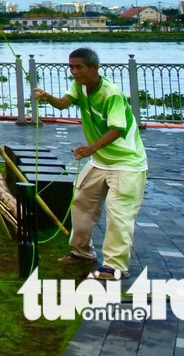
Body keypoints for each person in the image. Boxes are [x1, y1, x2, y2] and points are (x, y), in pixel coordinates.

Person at [34, 47, 148, 281]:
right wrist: (47, 97)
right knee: (81, 202)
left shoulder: (111, 94)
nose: (74, 72)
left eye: (79, 67)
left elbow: (118, 129)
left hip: (126, 164)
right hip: (100, 161)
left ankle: (115, 266)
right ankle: (82, 252)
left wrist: (91, 148)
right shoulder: (79, 87)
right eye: (72, 67)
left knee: (119, 214)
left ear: (95, 68)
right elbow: (64, 104)